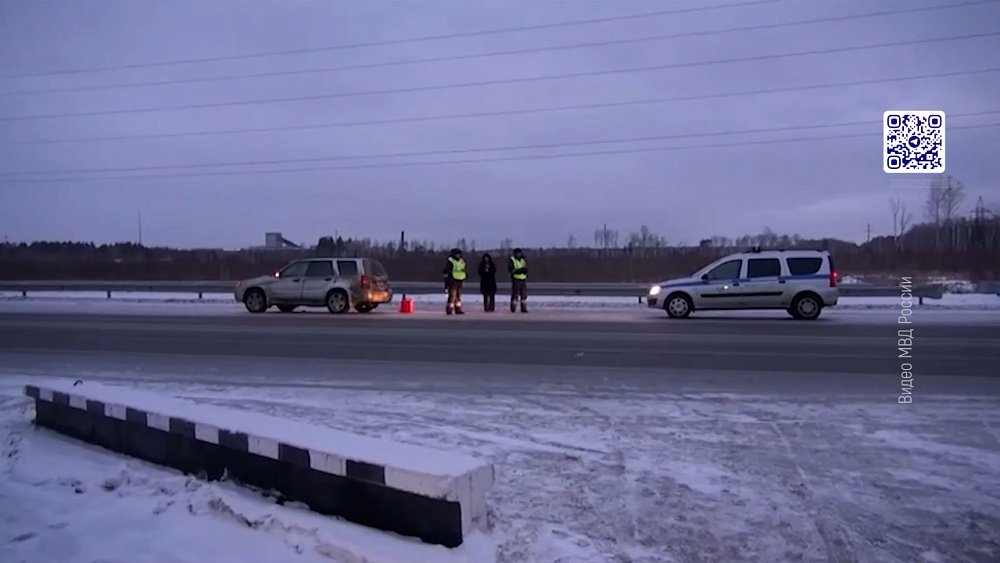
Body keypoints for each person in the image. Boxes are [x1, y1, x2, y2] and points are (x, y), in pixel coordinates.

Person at [442, 248, 467, 315]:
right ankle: (449, 309)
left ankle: (458, 309)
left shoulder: (461, 261)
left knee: (458, 296)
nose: (458, 255)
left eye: (459, 254)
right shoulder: (451, 261)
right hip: (453, 280)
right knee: (452, 295)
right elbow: (447, 270)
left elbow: (464, 269)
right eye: (457, 254)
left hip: (460, 279)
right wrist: (447, 279)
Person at [508, 247, 528, 313]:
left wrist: (525, 271)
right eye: (517, 253)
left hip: (523, 279)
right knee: (515, 294)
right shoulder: (512, 260)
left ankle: (524, 308)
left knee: (524, 295)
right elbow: (511, 270)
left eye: (520, 253)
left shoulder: (523, 260)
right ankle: (513, 308)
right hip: (516, 279)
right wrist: (519, 271)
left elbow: (525, 267)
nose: (519, 254)